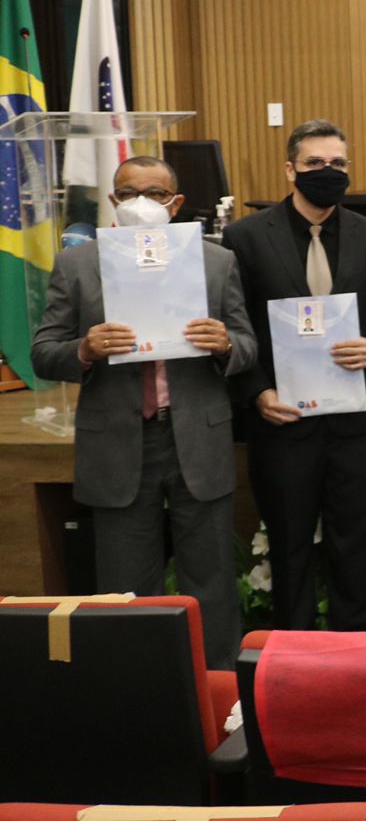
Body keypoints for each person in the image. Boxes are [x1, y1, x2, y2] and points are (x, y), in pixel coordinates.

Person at [31, 156, 256, 669]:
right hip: (117, 441)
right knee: (125, 587)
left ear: (175, 204)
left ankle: (218, 688)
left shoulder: (215, 262)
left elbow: (248, 345)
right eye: (129, 193)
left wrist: (225, 345)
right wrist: (83, 349)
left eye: (154, 194)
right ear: (113, 201)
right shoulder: (77, 264)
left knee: (212, 580)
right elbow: (43, 352)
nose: (141, 203)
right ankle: (138, 691)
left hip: (197, 436)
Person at [223, 119, 366, 631]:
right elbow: (236, 322)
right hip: (281, 419)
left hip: (352, 420)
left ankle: (357, 650)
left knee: (355, 544)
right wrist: (256, 392)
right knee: (289, 547)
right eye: (315, 163)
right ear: (290, 170)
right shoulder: (245, 238)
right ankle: (295, 655)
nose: (328, 171)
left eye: (338, 163)